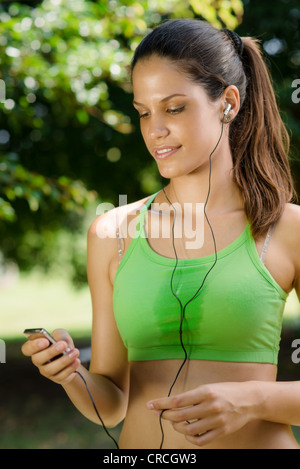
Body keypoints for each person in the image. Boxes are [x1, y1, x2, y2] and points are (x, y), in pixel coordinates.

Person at [22, 19, 300, 449]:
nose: (155, 130)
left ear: (227, 102)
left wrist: (251, 400)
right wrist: (72, 374)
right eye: (143, 112)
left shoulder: (286, 228)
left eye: (173, 108)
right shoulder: (112, 232)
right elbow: (112, 403)